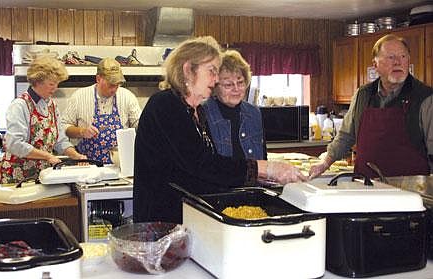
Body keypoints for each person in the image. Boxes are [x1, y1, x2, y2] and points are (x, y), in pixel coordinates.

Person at [133, 36, 306, 224]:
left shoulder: (196, 111)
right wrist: (265, 168)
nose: (215, 79)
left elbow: (205, 172)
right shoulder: (165, 105)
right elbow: (202, 164)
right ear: (188, 70)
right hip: (161, 222)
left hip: (187, 219)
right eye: (211, 71)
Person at [310, 34, 433, 179]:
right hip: (366, 187)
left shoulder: (425, 98)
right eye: (391, 57)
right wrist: (324, 164)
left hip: (409, 191)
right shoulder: (363, 95)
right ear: (375, 65)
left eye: (403, 57)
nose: (398, 62)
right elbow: (346, 136)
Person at [0, 57, 86, 184]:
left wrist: (75, 155)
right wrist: (47, 156)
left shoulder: (52, 105)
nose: (55, 88)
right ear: (37, 81)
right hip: (17, 177)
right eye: (51, 84)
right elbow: (15, 144)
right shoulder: (20, 105)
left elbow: (60, 140)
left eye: (57, 84)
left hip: (44, 175)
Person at [61, 57, 141, 164]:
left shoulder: (127, 97)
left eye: (118, 84)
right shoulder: (79, 97)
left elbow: (139, 126)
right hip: (87, 165)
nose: (114, 89)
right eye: (111, 84)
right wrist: (81, 131)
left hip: (120, 165)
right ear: (98, 79)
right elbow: (64, 128)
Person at [202, 49, 266, 160]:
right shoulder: (203, 113)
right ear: (215, 86)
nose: (236, 89)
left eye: (240, 82)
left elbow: (263, 158)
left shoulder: (254, 113)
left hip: (251, 177)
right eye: (228, 85)